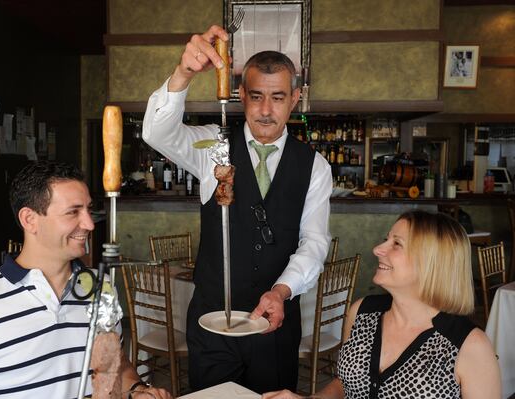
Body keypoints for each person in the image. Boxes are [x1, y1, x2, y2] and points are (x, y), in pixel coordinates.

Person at [142, 25, 332, 394]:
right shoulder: (213, 145)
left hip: (274, 326)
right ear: (240, 95)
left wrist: (282, 291)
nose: (265, 110)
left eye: (277, 97)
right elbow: (157, 133)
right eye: (256, 96)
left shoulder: (315, 166)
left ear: (295, 98)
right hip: (213, 324)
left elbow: (314, 242)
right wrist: (183, 72)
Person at [0, 161, 171, 399]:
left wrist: (136, 389)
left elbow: (110, 365)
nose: (89, 224)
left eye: (88, 210)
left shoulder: (100, 286)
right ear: (29, 219)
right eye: (73, 212)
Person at [262, 211, 501, 399]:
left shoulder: (469, 345)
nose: (377, 249)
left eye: (396, 244)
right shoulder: (363, 312)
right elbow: (346, 384)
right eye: (385, 239)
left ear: (432, 262)